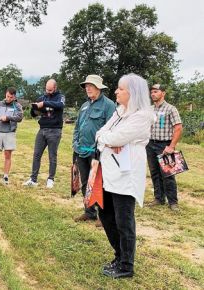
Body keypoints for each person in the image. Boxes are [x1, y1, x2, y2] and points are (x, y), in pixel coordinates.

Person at [93, 73, 154, 278]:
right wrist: (107, 140)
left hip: (126, 176)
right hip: (109, 172)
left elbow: (118, 137)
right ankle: (118, 255)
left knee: (124, 220)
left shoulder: (142, 115)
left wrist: (110, 140)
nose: (116, 91)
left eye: (121, 89)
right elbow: (100, 133)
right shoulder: (119, 111)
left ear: (133, 93)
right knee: (105, 213)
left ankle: (127, 265)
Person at [72, 75, 116, 225]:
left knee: (100, 184)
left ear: (99, 88)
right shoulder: (84, 105)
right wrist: (75, 143)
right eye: (86, 86)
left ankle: (104, 217)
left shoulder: (109, 105)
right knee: (85, 182)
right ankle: (89, 211)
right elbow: (77, 127)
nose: (88, 88)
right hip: (81, 151)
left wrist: (100, 147)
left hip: (98, 152)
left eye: (91, 85)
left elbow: (111, 129)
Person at [146, 84, 183, 211]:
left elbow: (178, 128)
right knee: (154, 172)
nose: (153, 94)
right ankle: (159, 198)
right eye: (152, 92)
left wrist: (171, 146)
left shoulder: (170, 109)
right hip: (150, 144)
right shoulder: (150, 109)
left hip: (165, 145)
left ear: (163, 93)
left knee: (168, 174)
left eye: (156, 92)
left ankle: (173, 202)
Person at [22, 79, 65, 188]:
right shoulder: (41, 98)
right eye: (46, 89)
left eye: (50, 90)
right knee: (36, 154)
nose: (48, 91)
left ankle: (50, 179)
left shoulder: (60, 97)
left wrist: (44, 104)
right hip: (42, 129)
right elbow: (34, 114)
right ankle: (33, 179)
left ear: (55, 88)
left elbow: (60, 105)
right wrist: (34, 109)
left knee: (52, 155)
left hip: (55, 130)